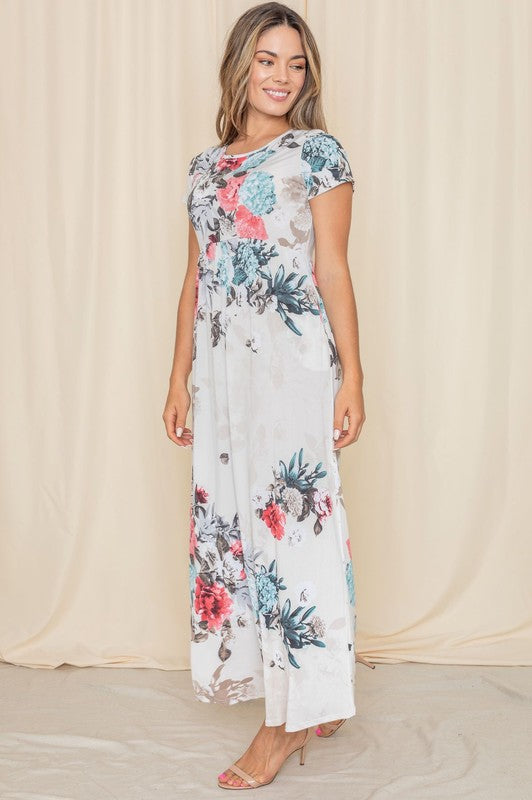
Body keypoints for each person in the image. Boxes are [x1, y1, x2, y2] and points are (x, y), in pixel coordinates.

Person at [163, 1, 365, 790]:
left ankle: (287, 722)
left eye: (296, 63)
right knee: (234, 526)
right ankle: (306, 700)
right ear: (241, 65)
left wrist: (356, 375)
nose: (282, 77)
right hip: (221, 378)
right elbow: (196, 277)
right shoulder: (204, 167)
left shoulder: (317, 154)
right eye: (268, 60)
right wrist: (177, 374)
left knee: (293, 534)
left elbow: (335, 270)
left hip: (291, 370)